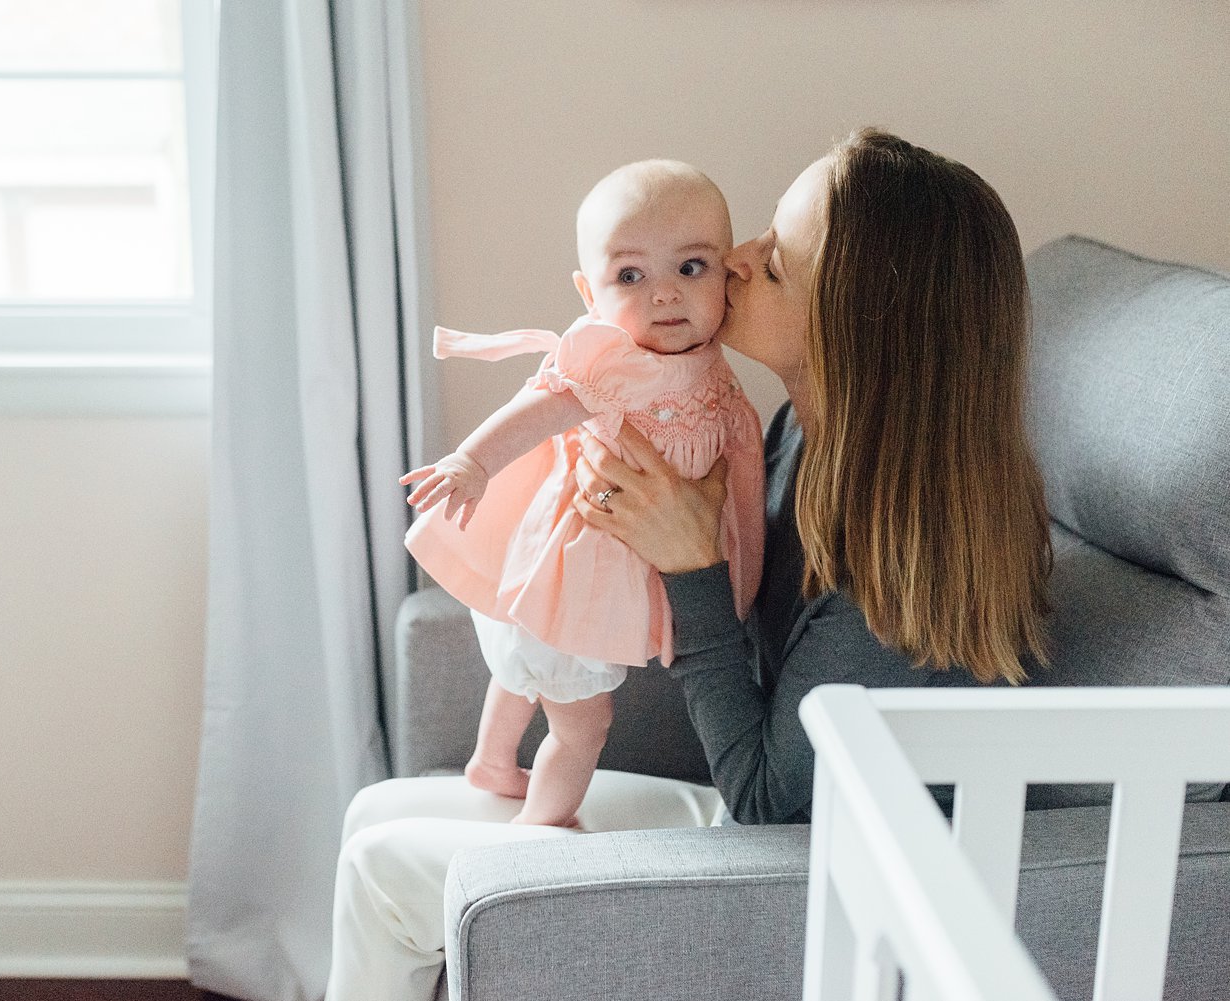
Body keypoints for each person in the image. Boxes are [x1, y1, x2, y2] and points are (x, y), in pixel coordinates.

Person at [326, 128, 1052, 1001]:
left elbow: (759, 795)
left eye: (775, 263)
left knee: (379, 865)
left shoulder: (900, 575)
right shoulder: (792, 440)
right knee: (377, 811)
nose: (735, 260)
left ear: (855, 326)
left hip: (813, 887)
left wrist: (690, 564)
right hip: (764, 830)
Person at [400, 159, 764, 828]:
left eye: (691, 268)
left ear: (727, 273)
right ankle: (542, 829)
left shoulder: (714, 372)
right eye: (631, 276)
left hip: (551, 583)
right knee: (583, 722)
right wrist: (472, 461)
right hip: (571, 577)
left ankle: (490, 759)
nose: (664, 295)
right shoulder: (613, 359)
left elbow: (741, 491)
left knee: (523, 674)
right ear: (588, 293)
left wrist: (740, 585)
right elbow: (541, 405)